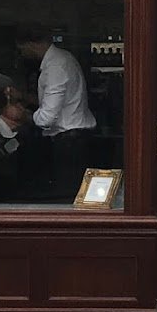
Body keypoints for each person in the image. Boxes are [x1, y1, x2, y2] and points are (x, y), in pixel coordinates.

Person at [14, 22, 96, 200]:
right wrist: (22, 96)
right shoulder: (62, 59)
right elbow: (55, 103)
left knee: (66, 197)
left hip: (69, 142)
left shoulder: (55, 67)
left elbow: (46, 118)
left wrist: (22, 115)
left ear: (31, 44)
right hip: (73, 137)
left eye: (22, 49)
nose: (22, 54)